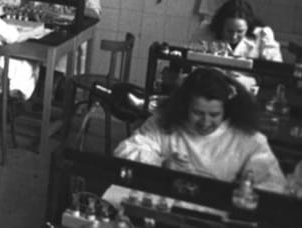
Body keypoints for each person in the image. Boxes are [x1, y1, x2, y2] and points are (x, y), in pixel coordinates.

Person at [114, 67, 286, 192]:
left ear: (226, 111)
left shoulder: (247, 137)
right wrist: (163, 164)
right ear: (184, 106)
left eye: (214, 115)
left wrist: (240, 188)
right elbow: (125, 151)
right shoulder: (164, 122)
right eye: (197, 113)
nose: (205, 122)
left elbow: (274, 184)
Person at [192, 0, 282, 61]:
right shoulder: (205, 30)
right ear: (221, 26)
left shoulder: (263, 35)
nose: (234, 36)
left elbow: (276, 68)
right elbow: (192, 57)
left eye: (240, 31)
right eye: (229, 31)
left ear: (248, 27)